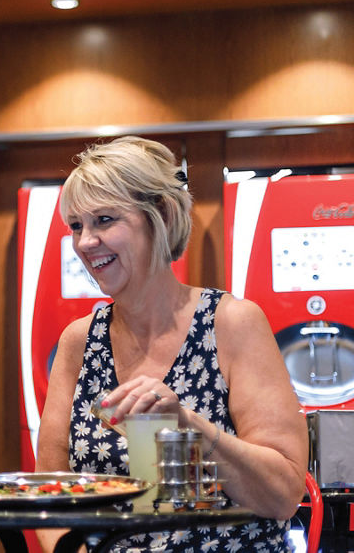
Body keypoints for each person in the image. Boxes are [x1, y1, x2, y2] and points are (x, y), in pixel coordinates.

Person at [35, 136, 307, 553]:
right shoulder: (79, 341)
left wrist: (188, 425)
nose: (85, 242)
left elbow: (283, 494)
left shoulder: (232, 323)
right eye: (76, 225)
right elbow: (51, 494)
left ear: (159, 215)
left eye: (104, 220)